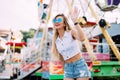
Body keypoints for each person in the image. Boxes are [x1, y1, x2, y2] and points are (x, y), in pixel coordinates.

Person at [51, 8, 90, 80]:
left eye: (59, 20)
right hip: (68, 67)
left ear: (64, 24)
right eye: (54, 20)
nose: (56, 22)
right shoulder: (56, 41)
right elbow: (61, 57)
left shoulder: (71, 33)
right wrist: (64, 70)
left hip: (79, 65)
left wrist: (75, 22)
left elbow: (82, 38)